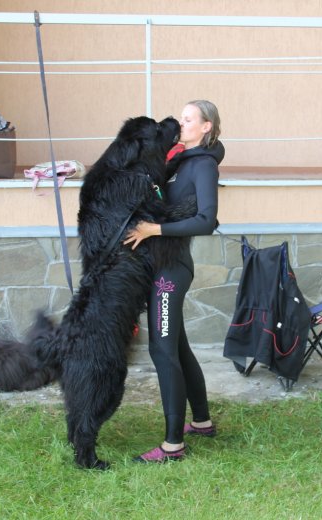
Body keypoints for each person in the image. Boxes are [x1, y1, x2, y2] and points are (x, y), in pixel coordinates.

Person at [123, 100, 224, 463]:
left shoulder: (204, 167)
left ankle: (172, 446)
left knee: (162, 351)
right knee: (178, 348)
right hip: (162, 266)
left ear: (206, 126)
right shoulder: (180, 162)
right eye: (180, 118)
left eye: (187, 119)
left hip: (171, 273)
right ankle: (201, 421)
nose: (180, 124)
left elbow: (207, 221)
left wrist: (155, 229)